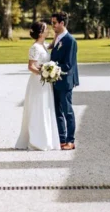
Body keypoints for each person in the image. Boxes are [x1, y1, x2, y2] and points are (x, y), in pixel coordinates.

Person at [15, 22, 60, 151]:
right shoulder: (34, 47)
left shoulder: (43, 46)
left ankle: (46, 138)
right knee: (38, 108)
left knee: (45, 107)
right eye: (46, 29)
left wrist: (57, 33)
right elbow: (31, 66)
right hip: (38, 82)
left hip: (45, 82)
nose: (48, 31)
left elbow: (52, 44)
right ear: (40, 33)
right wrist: (44, 73)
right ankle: (37, 140)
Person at [50, 12, 79, 150]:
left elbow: (68, 64)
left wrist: (50, 68)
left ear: (62, 23)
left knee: (67, 111)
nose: (53, 25)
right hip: (55, 80)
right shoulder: (57, 38)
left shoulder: (70, 40)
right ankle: (61, 139)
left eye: (54, 23)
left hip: (65, 80)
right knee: (57, 111)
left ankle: (70, 141)